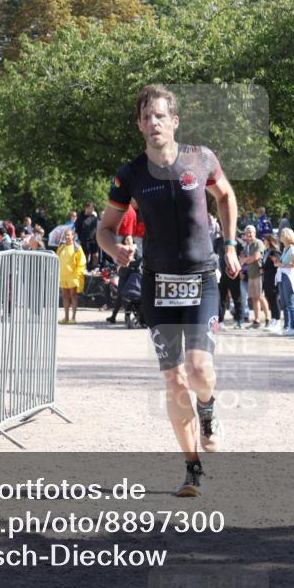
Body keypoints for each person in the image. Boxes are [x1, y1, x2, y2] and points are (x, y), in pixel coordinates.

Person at [97, 84, 240, 497]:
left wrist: (229, 245)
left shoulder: (201, 158)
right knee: (175, 382)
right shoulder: (130, 174)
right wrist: (116, 251)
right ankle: (192, 467)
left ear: (174, 121)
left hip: (200, 278)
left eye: (159, 115)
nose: (152, 122)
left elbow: (226, 197)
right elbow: (106, 229)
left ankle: (208, 411)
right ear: (139, 125)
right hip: (158, 285)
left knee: (199, 371)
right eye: (145, 117)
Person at [240, 226, 269, 329]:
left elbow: (256, 257)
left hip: (258, 273)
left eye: (250, 233)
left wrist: (246, 260)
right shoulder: (246, 245)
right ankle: (257, 321)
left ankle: (268, 319)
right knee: (254, 298)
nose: (248, 235)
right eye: (247, 233)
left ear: (255, 233)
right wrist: (248, 259)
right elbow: (241, 259)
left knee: (260, 296)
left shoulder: (258, 243)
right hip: (250, 275)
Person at [275, 228, 294, 337]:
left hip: (288, 277)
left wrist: (281, 265)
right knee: (284, 303)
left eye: (282, 234)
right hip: (282, 276)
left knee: (289, 303)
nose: (280, 236)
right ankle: (286, 326)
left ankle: (293, 328)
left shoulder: (292, 249)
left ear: (286, 236)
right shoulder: (285, 248)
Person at [56, 228, 85, 324]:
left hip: (73, 275)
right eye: (66, 235)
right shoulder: (61, 247)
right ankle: (66, 317)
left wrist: (77, 275)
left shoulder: (77, 248)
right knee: (64, 296)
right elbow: (56, 259)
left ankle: (73, 317)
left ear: (73, 236)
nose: (67, 237)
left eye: (69, 235)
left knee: (73, 295)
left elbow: (82, 262)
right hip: (63, 275)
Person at [261, 233, 281, 332]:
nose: (263, 242)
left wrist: (274, 262)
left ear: (269, 241)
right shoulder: (266, 252)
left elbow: (277, 264)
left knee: (275, 300)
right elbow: (265, 264)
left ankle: (277, 321)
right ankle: (273, 319)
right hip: (267, 279)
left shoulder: (275, 252)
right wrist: (262, 268)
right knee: (270, 300)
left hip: (273, 279)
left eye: (264, 240)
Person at [76, 203, 99, 271]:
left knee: (95, 255)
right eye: (91, 208)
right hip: (84, 239)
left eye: (93, 208)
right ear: (86, 208)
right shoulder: (80, 218)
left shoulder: (94, 218)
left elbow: (98, 228)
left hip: (94, 240)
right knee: (85, 255)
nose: (92, 209)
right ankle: (84, 268)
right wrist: (80, 239)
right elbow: (78, 229)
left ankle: (95, 269)